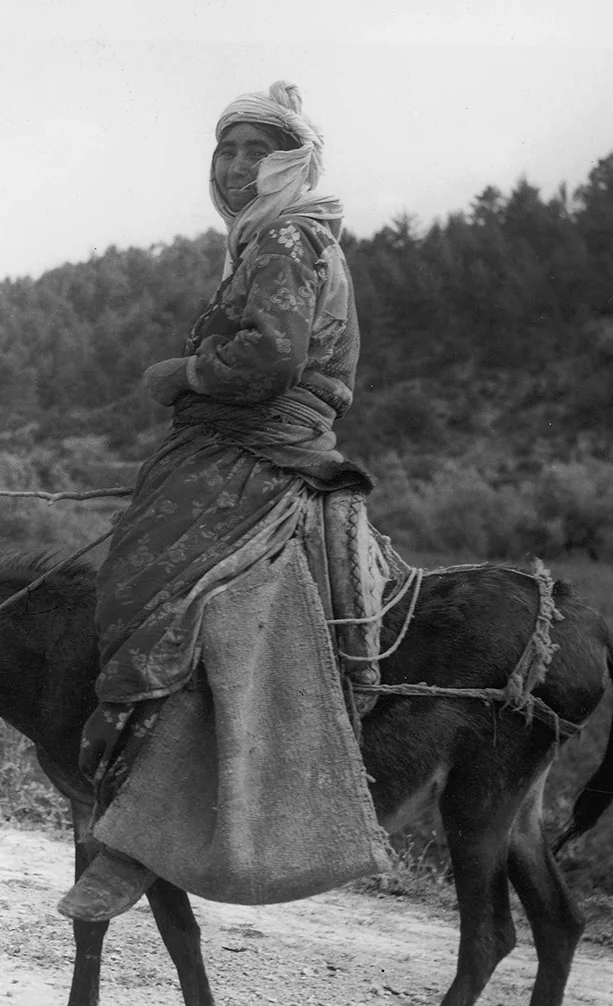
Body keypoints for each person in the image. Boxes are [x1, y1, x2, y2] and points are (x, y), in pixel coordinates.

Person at [58, 80, 379, 922]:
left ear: (291, 164)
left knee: (158, 592)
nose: (237, 166)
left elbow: (272, 358)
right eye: (227, 149)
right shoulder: (270, 241)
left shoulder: (285, 242)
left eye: (256, 152)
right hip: (229, 440)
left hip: (252, 446)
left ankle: (135, 835)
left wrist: (186, 373)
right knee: (143, 578)